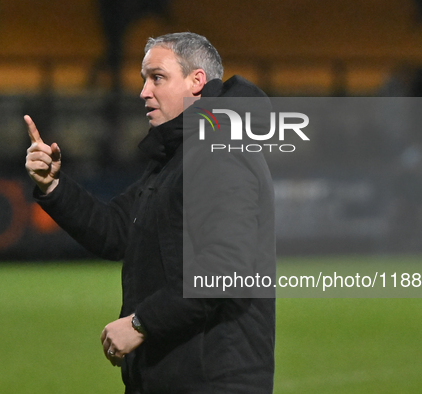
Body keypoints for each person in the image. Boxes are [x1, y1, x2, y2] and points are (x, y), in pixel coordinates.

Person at [25, 32, 275, 393]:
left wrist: (141, 324)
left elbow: (224, 267)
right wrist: (52, 185)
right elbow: (114, 230)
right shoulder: (179, 156)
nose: (144, 91)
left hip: (212, 379)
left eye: (157, 77)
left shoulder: (222, 151)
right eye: (144, 79)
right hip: (174, 375)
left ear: (196, 81)